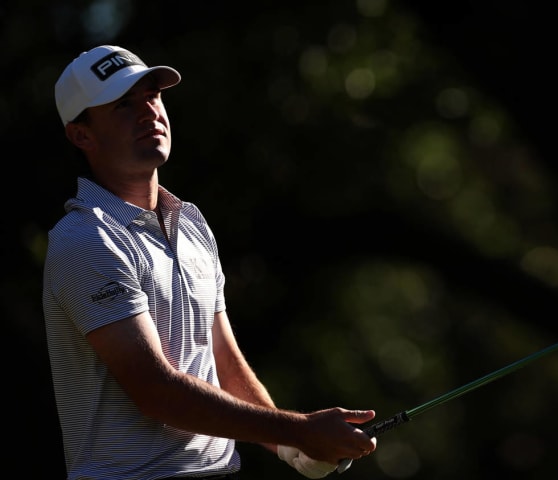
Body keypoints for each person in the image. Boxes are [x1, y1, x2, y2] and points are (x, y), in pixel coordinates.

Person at [42, 45, 377, 480]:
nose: (148, 112)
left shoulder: (190, 224)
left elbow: (222, 358)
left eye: (152, 96)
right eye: (124, 105)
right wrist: (301, 429)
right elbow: (157, 391)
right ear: (81, 135)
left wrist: (290, 447)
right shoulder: (86, 238)